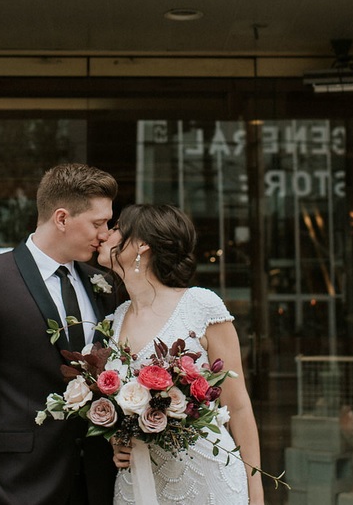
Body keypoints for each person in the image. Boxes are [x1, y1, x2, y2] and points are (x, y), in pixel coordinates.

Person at [0, 163, 120, 505]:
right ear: (62, 218)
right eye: (98, 223)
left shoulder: (106, 284)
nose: (105, 234)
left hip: (98, 483)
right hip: (15, 484)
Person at [97, 204, 264, 505]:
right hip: (139, 479)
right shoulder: (115, 319)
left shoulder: (201, 306)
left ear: (142, 244)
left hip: (206, 477)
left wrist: (257, 494)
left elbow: (238, 408)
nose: (105, 235)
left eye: (117, 228)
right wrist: (117, 439)